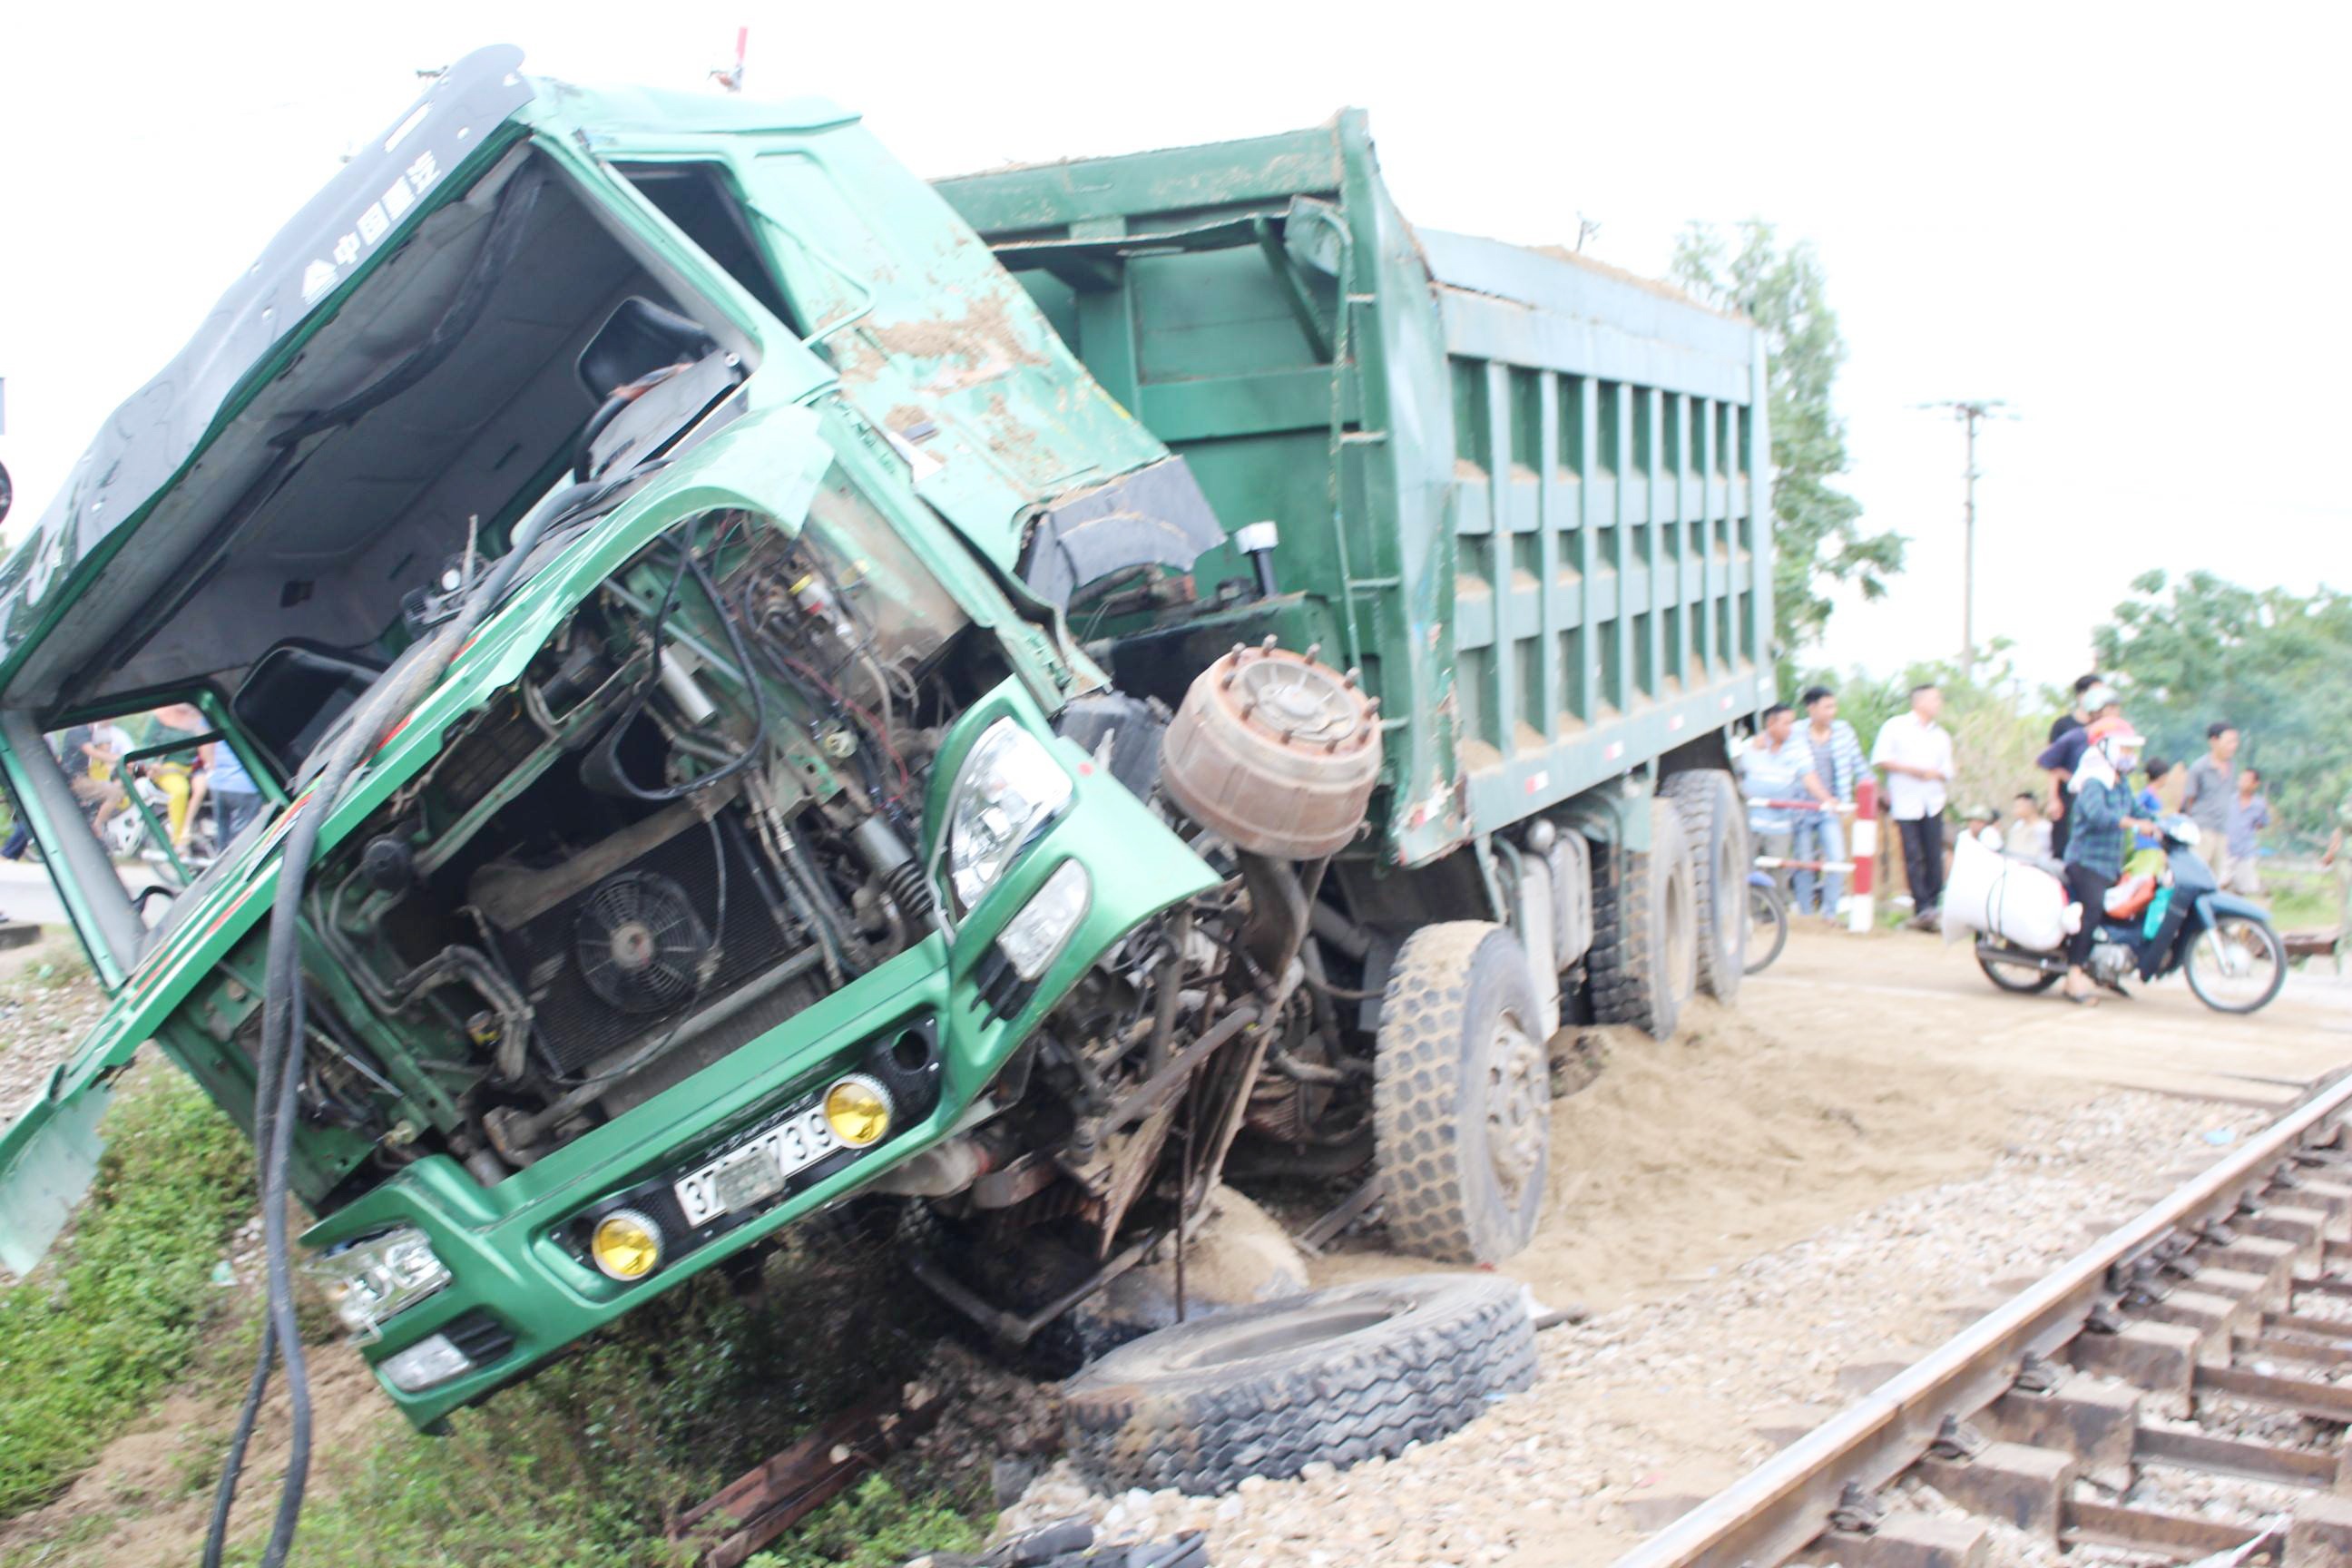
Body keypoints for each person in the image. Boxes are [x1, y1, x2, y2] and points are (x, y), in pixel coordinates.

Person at [2059, 718, 2157, 1004]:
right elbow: (2097, 816)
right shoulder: (2093, 781)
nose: (2130, 756)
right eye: (2124, 749)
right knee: (2091, 914)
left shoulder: (2121, 782)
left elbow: (2140, 810)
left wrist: (2165, 824)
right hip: (2086, 862)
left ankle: (2102, 970)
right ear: (2105, 748)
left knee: (2117, 914)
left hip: (2109, 865)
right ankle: (2073, 977)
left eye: (2131, 750)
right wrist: (2133, 823)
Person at [1871, 682, 1955, 929]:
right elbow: (1881, 759)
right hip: (1906, 799)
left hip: (1933, 800)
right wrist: (1913, 771)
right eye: (1935, 699)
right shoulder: (1895, 727)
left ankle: (1933, 904)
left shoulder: (1941, 735)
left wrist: (1935, 774)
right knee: (1912, 854)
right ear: (1919, 702)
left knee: (1933, 853)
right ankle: (1921, 906)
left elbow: (1948, 769)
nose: (1938, 704)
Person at [1740, 703, 1831, 901]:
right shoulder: (1748, 747)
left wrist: (1827, 800)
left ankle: (1774, 914)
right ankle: (1751, 914)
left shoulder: (1797, 749)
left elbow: (1810, 778)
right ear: (1771, 723)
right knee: (1746, 869)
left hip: (1779, 825)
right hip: (1750, 822)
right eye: (1786, 723)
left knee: (1777, 872)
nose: (1790, 728)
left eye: (1792, 723)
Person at [1797, 685, 1867, 921]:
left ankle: (1830, 912)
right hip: (1800, 807)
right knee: (1803, 861)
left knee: (1836, 858)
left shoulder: (1844, 732)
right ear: (1811, 708)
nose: (1832, 712)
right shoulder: (1797, 733)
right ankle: (1805, 914)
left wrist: (1870, 788)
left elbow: (1858, 764)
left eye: (1833, 706)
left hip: (1832, 808)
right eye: (1827, 707)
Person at [2038, 684, 2120, 861]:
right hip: (2074, 802)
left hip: (2103, 806)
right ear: (2096, 711)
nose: (2115, 714)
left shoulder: (2116, 740)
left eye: (2116, 709)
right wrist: (2068, 786)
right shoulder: (2077, 737)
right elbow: (2047, 762)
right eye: (2110, 709)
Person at [2180, 723, 2239, 878]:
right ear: (2214, 741)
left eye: (2235, 742)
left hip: (2222, 830)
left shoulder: (2232, 767)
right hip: (2202, 830)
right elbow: (2188, 800)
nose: (2233, 746)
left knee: (2215, 878)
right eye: (2229, 742)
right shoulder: (2199, 768)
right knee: (2196, 874)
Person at [207, 734, 266, 840]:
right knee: (244, 834)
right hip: (242, 785)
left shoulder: (210, 728)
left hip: (218, 784)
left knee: (224, 835)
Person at [2223, 768, 2270, 897]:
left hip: (2245, 852)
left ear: (2255, 784)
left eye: (2247, 780)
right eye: (2241, 779)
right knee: (2220, 883)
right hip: (2226, 849)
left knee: (2242, 889)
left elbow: (2262, 824)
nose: (2242, 782)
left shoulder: (2259, 805)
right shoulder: (2228, 801)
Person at [2004, 793, 2053, 860]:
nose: (2015, 810)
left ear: (2030, 807)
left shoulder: (2044, 828)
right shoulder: (2016, 827)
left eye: (2018, 806)